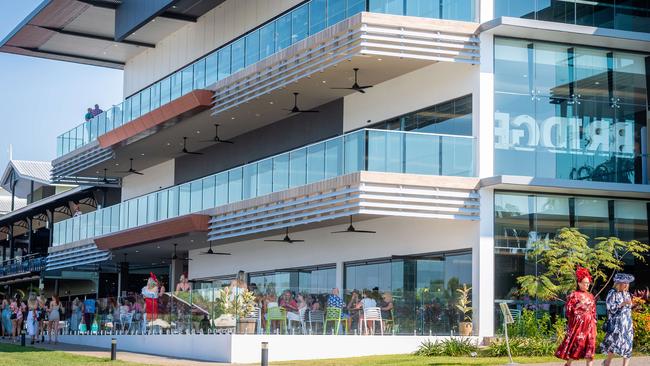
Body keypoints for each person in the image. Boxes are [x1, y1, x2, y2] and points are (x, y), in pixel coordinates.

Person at [555, 267, 597, 366]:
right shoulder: (574, 295)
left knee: (590, 347)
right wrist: (578, 308)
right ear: (579, 283)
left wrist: (594, 323)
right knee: (576, 345)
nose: (587, 285)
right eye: (585, 283)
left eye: (588, 283)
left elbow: (593, 311)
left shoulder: (591, 296)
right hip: (579, 326)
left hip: (590, 325)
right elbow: (569, 311)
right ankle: (568, 364)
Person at [601, 273, 635, 366]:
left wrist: (631, 304)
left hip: (627, 324)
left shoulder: (627, 293)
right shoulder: (612, 293)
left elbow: (629, 308)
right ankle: (607, 363)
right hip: (616, 325)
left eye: (627, 283)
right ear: (618, 283)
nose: (626, 285)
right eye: (624, 283)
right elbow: (610, 308)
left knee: (628, 346)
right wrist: (622, 304)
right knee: (613, 345)